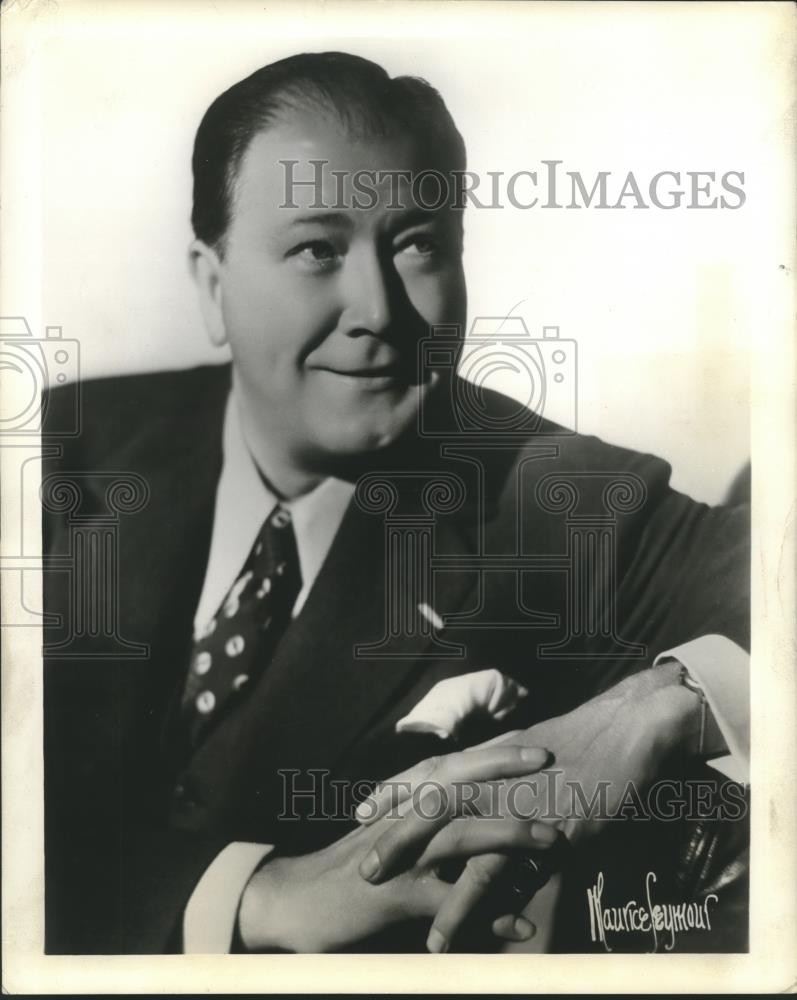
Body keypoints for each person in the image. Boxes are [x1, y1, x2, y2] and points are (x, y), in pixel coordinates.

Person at [42, 51, 750, 955]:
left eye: (418, 243)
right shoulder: (62, 450)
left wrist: (665, 702)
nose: (378, 307)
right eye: (316, 249)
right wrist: (250, 894)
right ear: (212, 286)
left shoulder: (555, 498)